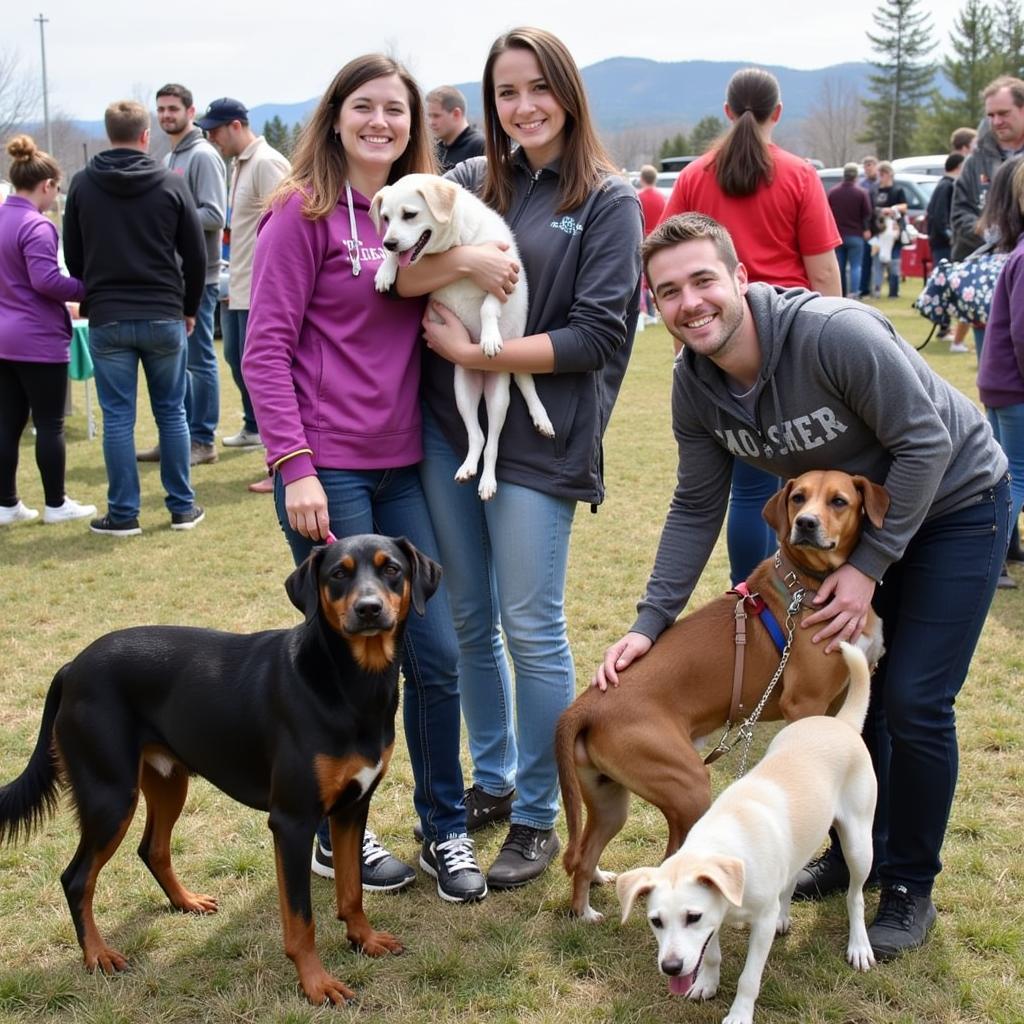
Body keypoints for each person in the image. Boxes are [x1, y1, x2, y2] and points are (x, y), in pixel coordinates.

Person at [596, 212, 1009, 960]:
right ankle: (860, 848)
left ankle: (908, 884)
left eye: (702, 281)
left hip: (954, 504)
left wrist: (865, 569)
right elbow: (696, 506)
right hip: (853, 530)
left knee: (914, 698)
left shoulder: (832, 336)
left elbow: (927, 441)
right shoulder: (696, 388)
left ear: (739, 279)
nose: (689, 302)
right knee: (861, 698)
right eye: (667, 292)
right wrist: (648, 623)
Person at [242, 54, 488, 903]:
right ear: (336, 115)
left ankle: (446, 830)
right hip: (329, 466)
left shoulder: (416, 211)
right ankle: (332, 827)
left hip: (402, 462)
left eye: (396, 109)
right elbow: (263, 348)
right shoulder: (298, 215)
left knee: (437, 652)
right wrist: (294, 465)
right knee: (345, 656)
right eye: (365, 107)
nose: (381, 121)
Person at [405, 26, 642, 889]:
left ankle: (543, 811)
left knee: (529, 627)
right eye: (506, 92)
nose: (522, 106)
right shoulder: (470, 180)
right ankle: (495, 779)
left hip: (541, 443)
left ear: (568, 92)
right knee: (467, 618)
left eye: (537, 87)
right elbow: (394, 275)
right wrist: (463, 258)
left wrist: (482, 357)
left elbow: (599, 334)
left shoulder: (609, 200)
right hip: (448, 434)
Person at [661, 66, 841, 585]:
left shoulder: (695, 175)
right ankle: (792, 584)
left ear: (725, 112)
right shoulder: (799, 174)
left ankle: (751, 590)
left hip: (721, 345)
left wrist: (686, 349)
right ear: (777, 114)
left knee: (748, 488)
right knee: (805, 479)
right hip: (796, 342)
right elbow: (824, 270)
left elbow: (665, 262)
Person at [63, 100, 207, 536]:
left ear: (110, 135)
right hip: (164, 311)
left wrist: (94, 289)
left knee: (119, 418)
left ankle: (123, 514)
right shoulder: (171, 182)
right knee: (172, 414)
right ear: (146, 135)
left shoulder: (83, 185)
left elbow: (73, 254)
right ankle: (183, 507)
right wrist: (188, 307)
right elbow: (197, 255)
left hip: (108, 315)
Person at [196, 96, 290, 493]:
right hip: (240, 286)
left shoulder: (267, 163)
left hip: (262, 289)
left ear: (236, 125)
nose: (211, 137)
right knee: (237, 360)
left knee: (264, 373)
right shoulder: (241, 165)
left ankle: (282, 463)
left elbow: (290, 221)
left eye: (215, 130)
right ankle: (258, 433)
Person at [0, 135, 95, 527]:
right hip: (38, 340)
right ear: (47, 185)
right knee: (50, 424)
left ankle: (7, 504)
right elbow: (45, 280)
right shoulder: (37, 226)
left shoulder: (3, 217)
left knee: (7, 422)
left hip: (4, 338)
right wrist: (85, 289)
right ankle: (56, 502)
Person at [135, 83, 226, 468]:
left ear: (191, 112)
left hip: (200, 276)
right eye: (161, 109)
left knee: (200, 360)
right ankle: (180, 437)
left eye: (173, 108)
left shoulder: (202, 156)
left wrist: (166, 218)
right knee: (181, 362)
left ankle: (202, 440)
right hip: (174, 279)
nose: (166, 115)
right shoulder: (173, 153)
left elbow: (215, 215)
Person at [977, 156, 1024, 590]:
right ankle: (991, 561)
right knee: (1018, 475)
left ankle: (1000, 554)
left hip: (1001, 382)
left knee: (1004, 472)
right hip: (1015, 386)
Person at [952, 76, 1024, 261]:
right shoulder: (975, 161)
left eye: (1003, 113)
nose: (996, 121)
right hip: (980, 268)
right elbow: (960, 214)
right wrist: (987, 231)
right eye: (991, 115)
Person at [926, 153, 970, 352]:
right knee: (945, 287)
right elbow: (941, 216)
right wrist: (951, 236)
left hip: (937, 241)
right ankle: (944, 328)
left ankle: (944, 327)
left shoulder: (940, 184)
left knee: (943, 285)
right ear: (959, 167)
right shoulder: (948, 186)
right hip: (944, 242)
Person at [827, 162, 872, 297]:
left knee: (839, 267)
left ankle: (841, 293)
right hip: (856, 234)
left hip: (838, 235)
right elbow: (867, 213)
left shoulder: (833, 193)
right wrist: (866, 229)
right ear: (856, 177)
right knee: (856, 265)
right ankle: (854, 293)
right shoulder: (861, 193)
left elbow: (827, 213)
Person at [425, 85, 485, 171]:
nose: (431, 122)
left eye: (436, 116)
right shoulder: (436, 150)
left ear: (456, 114)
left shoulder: (480, 147)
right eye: (429, 116)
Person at [873, 161, 908, 298]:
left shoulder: (897, 190)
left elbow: (905, 207)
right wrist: (880, 211)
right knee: (877, 261)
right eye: (879, 174)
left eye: (884, 174)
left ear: (889, 174)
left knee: (894, 262)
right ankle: (876, 290)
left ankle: (894, 290)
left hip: (894, 230)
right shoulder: (875, 191)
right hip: (879, 231)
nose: (881, 177)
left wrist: (893, 209)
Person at [636, 164, 666, 318]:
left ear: (642, 179)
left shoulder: (638, 197)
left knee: (642, 278)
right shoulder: (662, 198)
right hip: (659, 240)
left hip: (643, 240)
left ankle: (645, 311)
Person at [858, 155, 881, 297]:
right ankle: (865, 288)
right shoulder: (862, 185)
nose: (868, 168)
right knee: (866, 259)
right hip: (866, 228)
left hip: (879, 227)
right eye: (866, 165)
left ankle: (877, 288)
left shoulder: (880, 183)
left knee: (880, 260)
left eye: (870, 165)